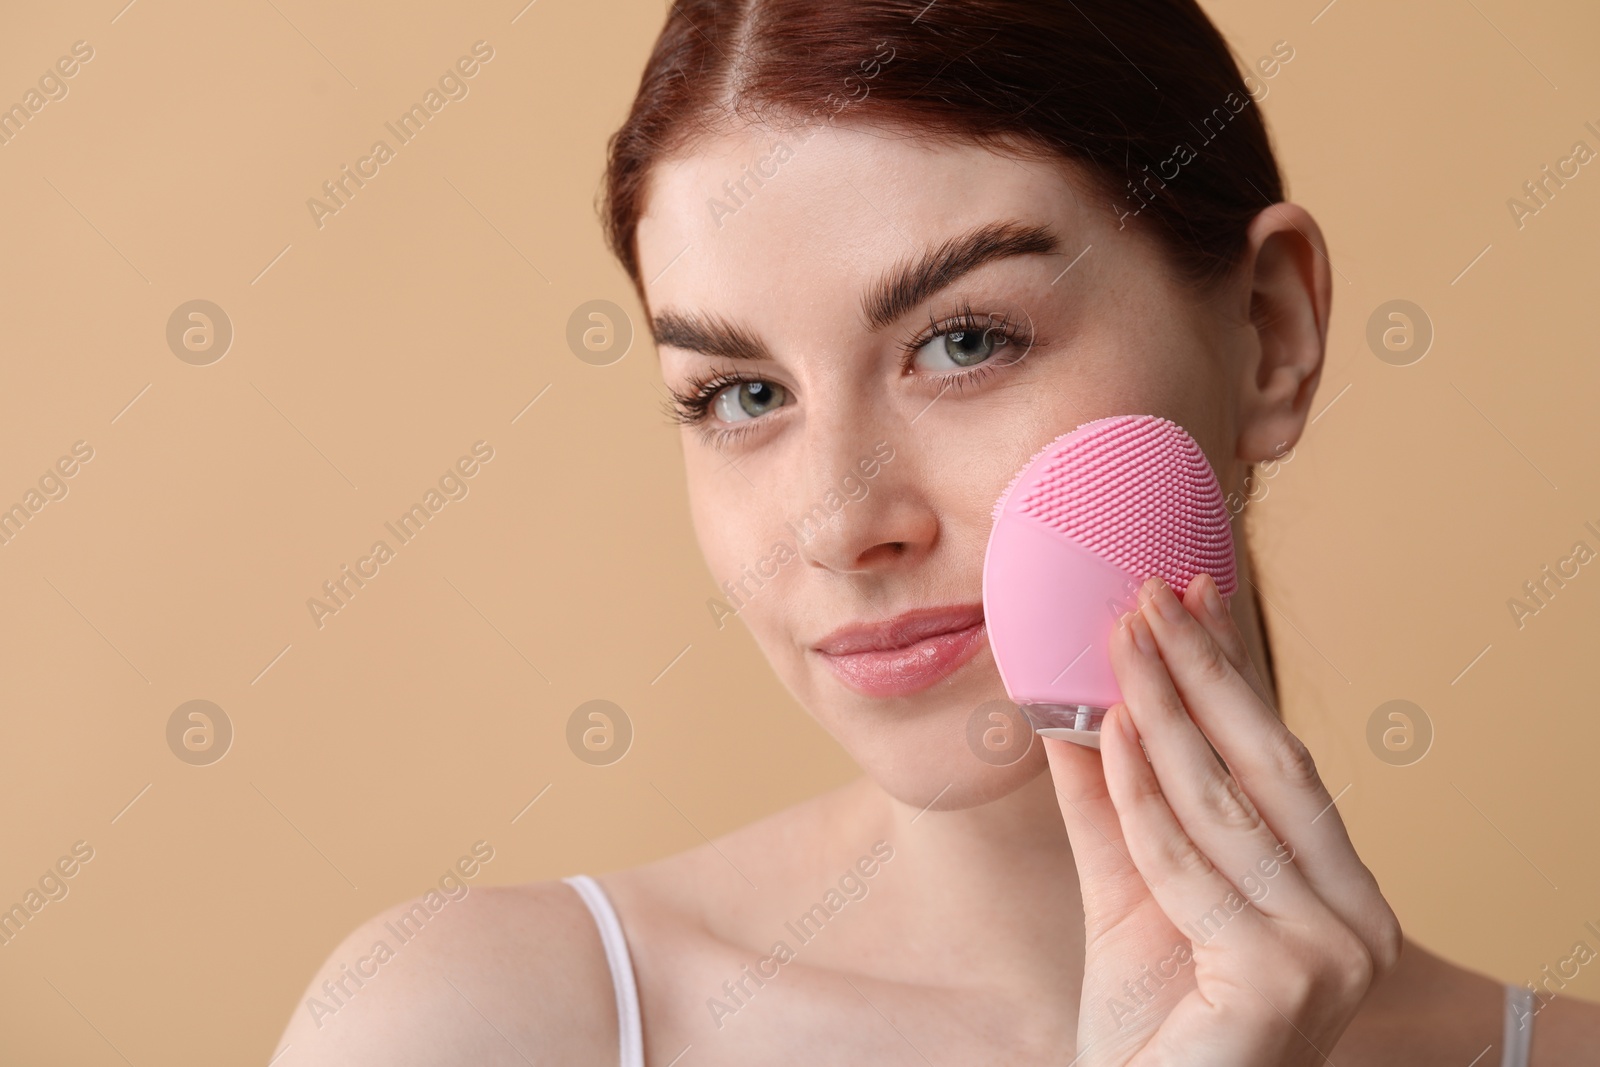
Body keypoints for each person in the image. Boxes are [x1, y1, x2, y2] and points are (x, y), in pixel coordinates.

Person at [274, 0, 1600, 1062]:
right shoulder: (469, 1028)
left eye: (964, 342)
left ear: (1271, 334)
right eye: (741, 396)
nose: (843, 523)